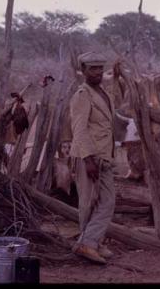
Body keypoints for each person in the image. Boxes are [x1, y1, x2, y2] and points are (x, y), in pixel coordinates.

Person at [69, 51, 116, 264]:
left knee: (106, 201)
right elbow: (79, 128)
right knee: (88, 202)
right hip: (89, 155)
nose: (97, 72)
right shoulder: (82, 94)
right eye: (92, 68)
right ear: (83, 70)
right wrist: (88, 159)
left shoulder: (102, 92)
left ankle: (92, 240)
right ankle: (88, 243)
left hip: (104, 155)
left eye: (100, 68)